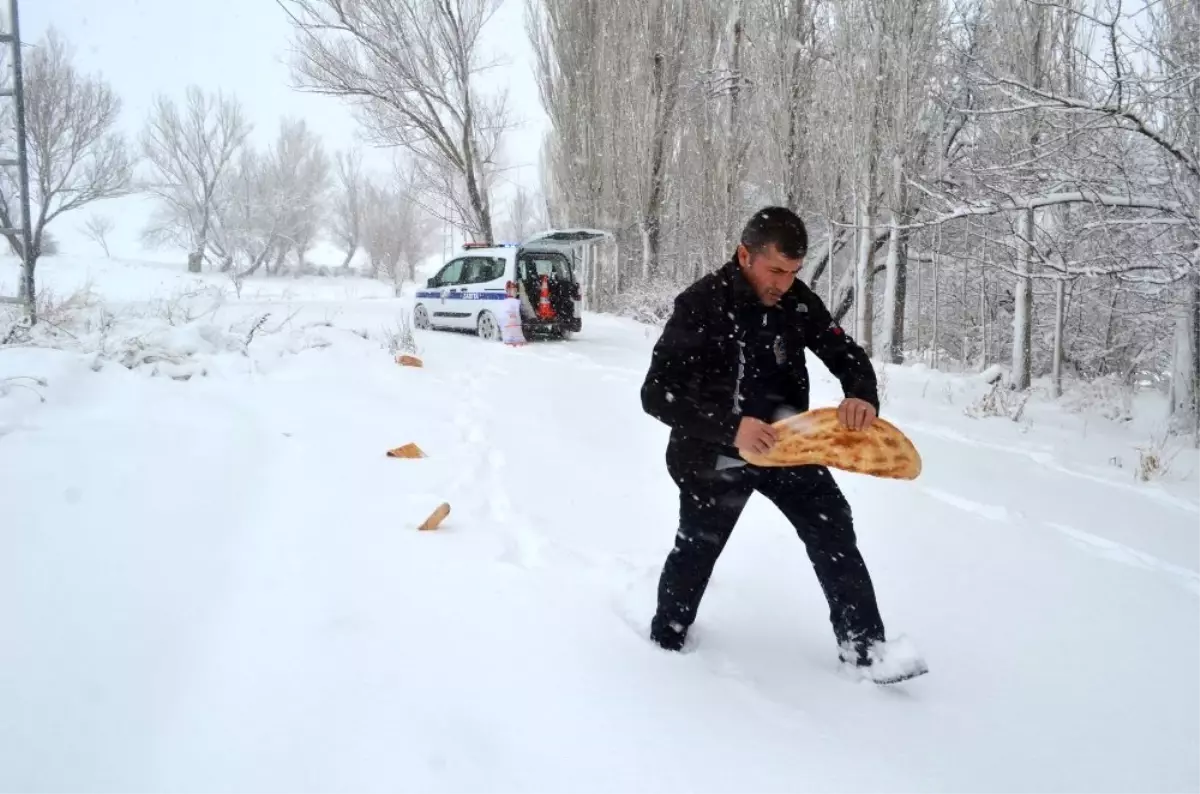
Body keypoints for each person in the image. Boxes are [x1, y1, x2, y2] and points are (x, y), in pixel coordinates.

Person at [640, 206, 925, 683]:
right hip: (715, 453)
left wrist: (861, 394)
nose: (783, 283)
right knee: (698, 548)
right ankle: (666, 642)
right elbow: (657, 393)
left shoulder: (796, 302)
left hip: (786, 447)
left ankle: (865, 648)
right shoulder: (701, 304)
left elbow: (845, 351)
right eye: (774, 270)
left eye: (793, 273)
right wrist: (732, 427)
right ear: (744, 255)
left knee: (833, 525)